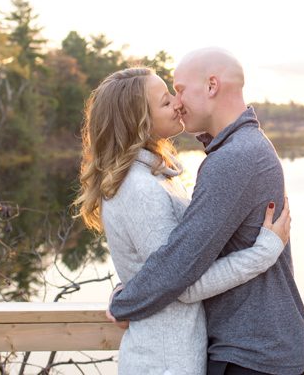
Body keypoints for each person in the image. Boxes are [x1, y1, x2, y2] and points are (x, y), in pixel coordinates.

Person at [75, 66, 292, 375]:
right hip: (163, 361)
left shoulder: (156, 176)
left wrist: (130, 291)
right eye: (165, 101)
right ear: (138, 121)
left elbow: (163, 265)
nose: (177, 103)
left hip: (176, 355)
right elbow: (183, 284)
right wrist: (263, 253)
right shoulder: (139, 188)